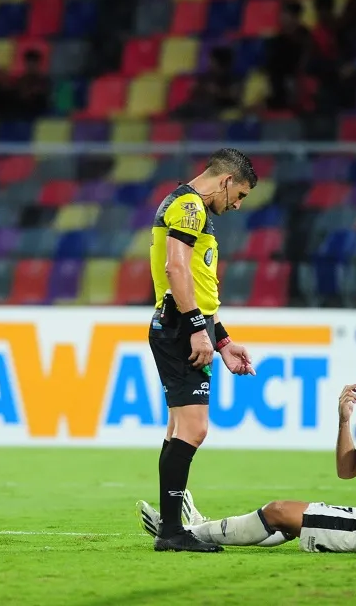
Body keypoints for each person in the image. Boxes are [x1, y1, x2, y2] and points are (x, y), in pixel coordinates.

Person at [139, 348, 356, 555]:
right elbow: (347, 469)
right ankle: (193, 529)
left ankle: (187, 531)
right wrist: (344, 420)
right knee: (285, 520)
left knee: (279, 511)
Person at [146, 149, 258, 552]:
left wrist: (221, 338)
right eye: (240, 194)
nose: (238, 204)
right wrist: (197, 329)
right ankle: (171, 532)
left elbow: (195, 282)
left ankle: (169, 527)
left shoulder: (187, 205)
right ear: (226, 181)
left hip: (183, 324)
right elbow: (176, 270)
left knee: (179, 428)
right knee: (194, 429)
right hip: (180, 327)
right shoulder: (191, 207)